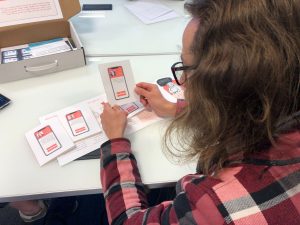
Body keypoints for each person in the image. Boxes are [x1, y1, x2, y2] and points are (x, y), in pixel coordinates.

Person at [99, 0, 300, 224]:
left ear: (229, 82)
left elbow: (127, 221)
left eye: (187, 68)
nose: (183, 83)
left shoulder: (217, 203)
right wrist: (174, 108)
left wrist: (116, 143)